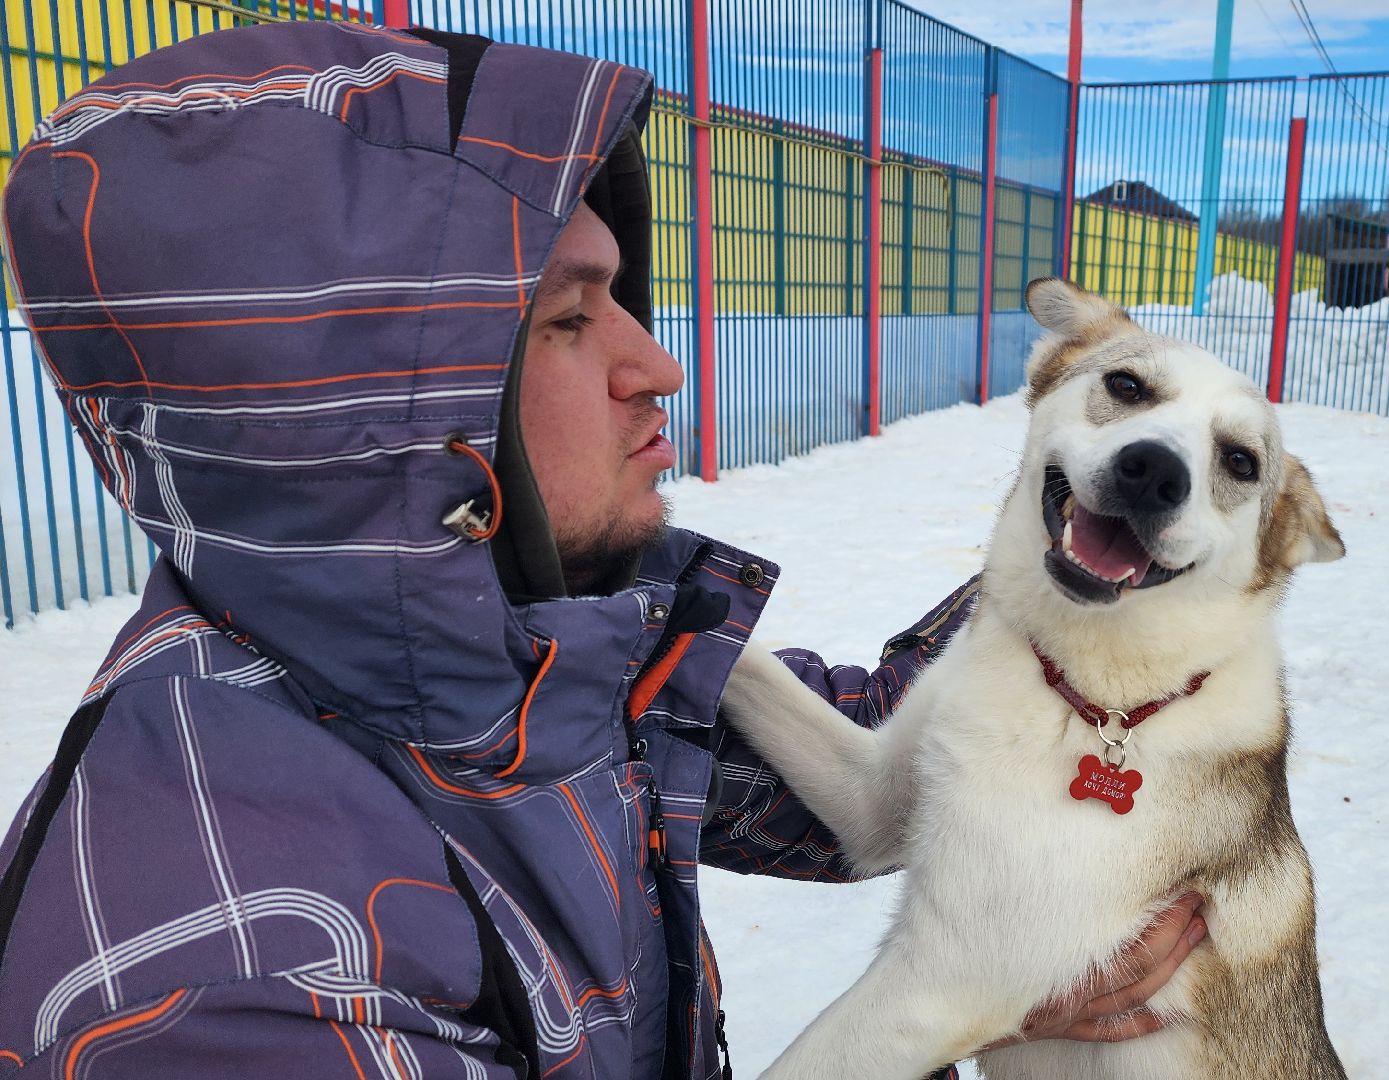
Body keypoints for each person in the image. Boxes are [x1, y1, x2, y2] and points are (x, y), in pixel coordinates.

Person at [0, 20, 1201, 1079]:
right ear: (357, 413)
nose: (657, 364)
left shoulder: (530, 666)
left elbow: (885, 772)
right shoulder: (230, 982)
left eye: (622, 299)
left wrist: (1094, 517)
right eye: (570, 319)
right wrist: (943, 1015)